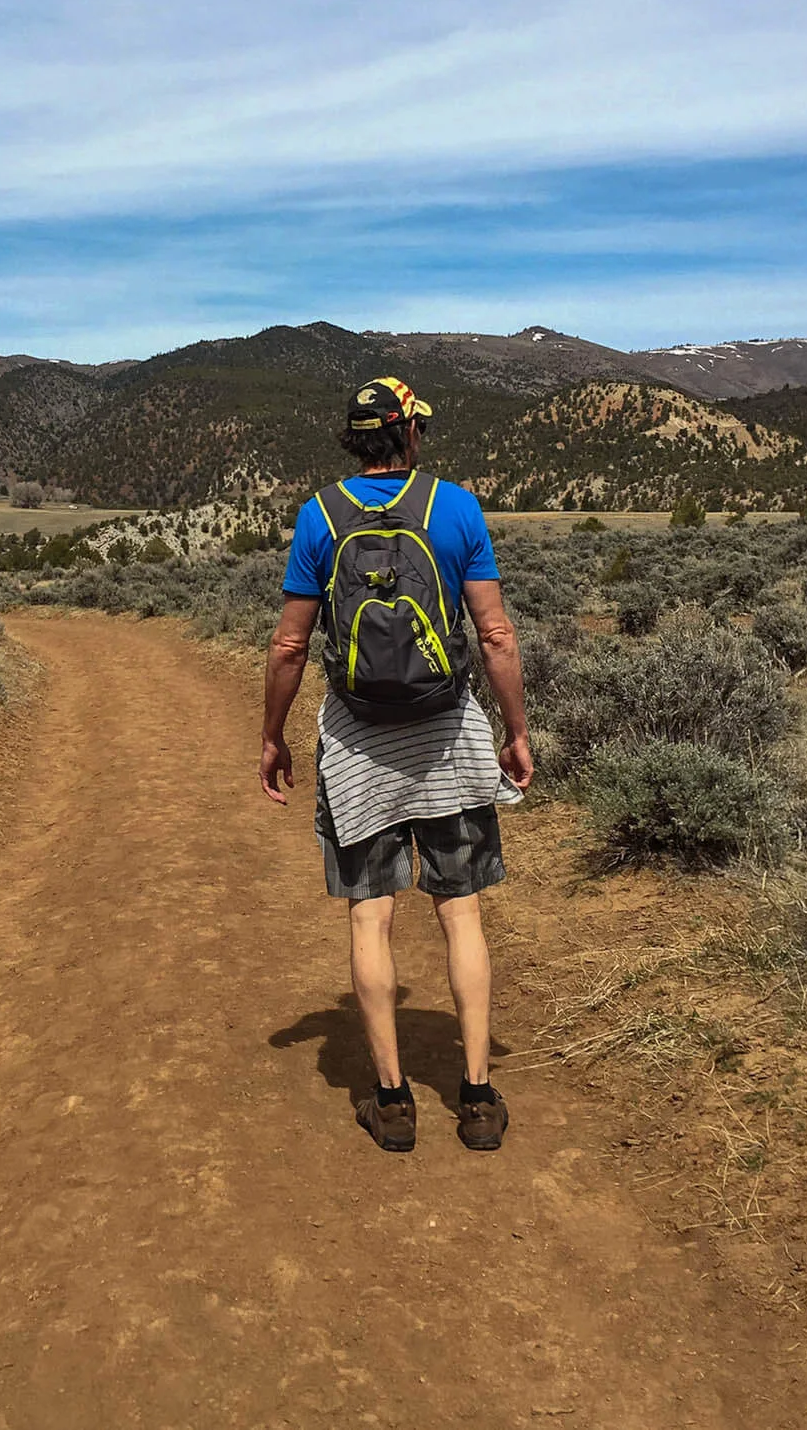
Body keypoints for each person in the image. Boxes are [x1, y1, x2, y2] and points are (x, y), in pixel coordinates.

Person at [259, 376, 532, 1153]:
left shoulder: (318, 517)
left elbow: (287, 644)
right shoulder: (456, 508)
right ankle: (477, 1100)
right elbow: (497, 637)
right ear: (408, 434)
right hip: (447, 737)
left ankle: (391, 1101)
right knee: (461, 911)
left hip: (357, 745)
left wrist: (272, 736)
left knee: (371, 915)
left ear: (353, 438)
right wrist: (515, 731)